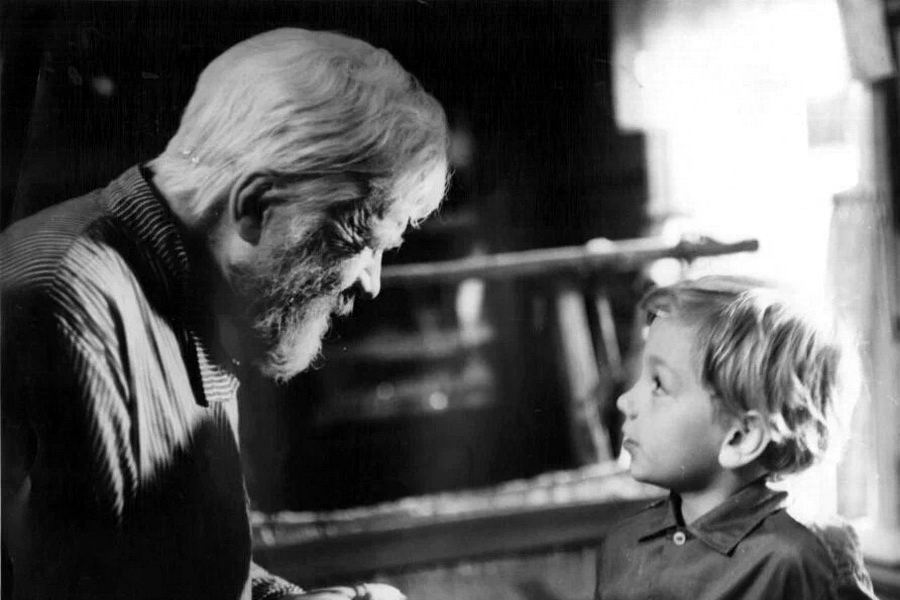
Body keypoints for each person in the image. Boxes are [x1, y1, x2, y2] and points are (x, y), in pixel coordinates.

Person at [0, 28, 448, 600]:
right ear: (255, 206)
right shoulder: (65, 313)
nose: (372, 283)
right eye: (358, 241)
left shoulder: (191, 296)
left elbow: (172, 572)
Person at [595, 276, 876, 599]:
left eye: (658, 384)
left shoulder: (802, 555)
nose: (625, 401)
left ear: (741, 437)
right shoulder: (623, 545)